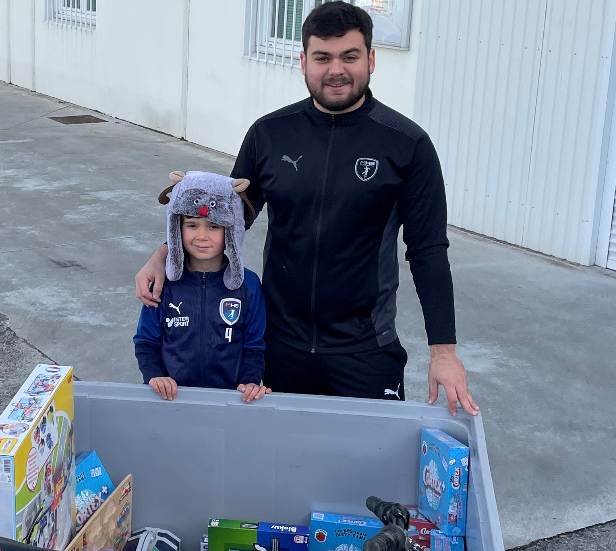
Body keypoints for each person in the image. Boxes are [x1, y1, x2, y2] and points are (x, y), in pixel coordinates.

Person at [136, 2, 478, 416]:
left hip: (365, 348)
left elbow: (427, 250)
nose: (336, 69)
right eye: (322, 57)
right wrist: (162, 256)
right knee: (285, 471)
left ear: (371, 59)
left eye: (350, 56)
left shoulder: (407, 145)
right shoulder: (270, 134)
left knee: (367, 470)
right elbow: (223, 216)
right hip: (282, 346)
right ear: (303, 62)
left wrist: (444, 351)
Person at [133, 171, 271, 404]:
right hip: (172, 400)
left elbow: (253, 345)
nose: (202, 236)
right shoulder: (163, 283)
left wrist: (250, 381)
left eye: (214, 226)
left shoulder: (249, 285)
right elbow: (146, 342)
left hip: (229, 402)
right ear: (177, 227)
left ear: (232, 229)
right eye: (192, 225)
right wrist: (155, 376)